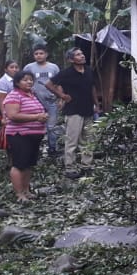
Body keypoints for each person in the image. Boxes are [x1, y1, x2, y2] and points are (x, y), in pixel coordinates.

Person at [46, 48, 101, 179]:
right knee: (72, 141)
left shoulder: (88, 70)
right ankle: (69, 168)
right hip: (73, 111)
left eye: (82, 53)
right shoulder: (66, 73)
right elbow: (48, 84)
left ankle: (86, 165)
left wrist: (97, 104)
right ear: (71, 59)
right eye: (78, 55)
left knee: (88, 139)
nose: (82, 56)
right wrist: (62, 96)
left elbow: (92, 87)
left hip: (88, 109)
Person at [3, 72, 48, 201]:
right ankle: (19, 194)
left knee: (28, 164)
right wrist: (36, 117)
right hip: (19, 135)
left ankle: (26, 191)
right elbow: (13, 116)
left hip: (34, 135)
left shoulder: (31, 95)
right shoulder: (14, 96)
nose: (29, 82)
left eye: (30, 80)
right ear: (17, 83)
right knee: (19, 164)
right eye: (25, 80)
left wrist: (42, 117)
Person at [24, 46, 61, 157]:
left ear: (46, 54)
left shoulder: (53, 67)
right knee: (34, 126)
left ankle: (52, 149)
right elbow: (23, 82)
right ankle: (35, 149)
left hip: (51, 101)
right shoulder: (29, 67)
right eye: (36, 53)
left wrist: (60, 98)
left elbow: (59, 83)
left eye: (41, 53)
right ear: (33, 55)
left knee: (51, 127)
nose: (39, 55)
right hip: (34, 102)